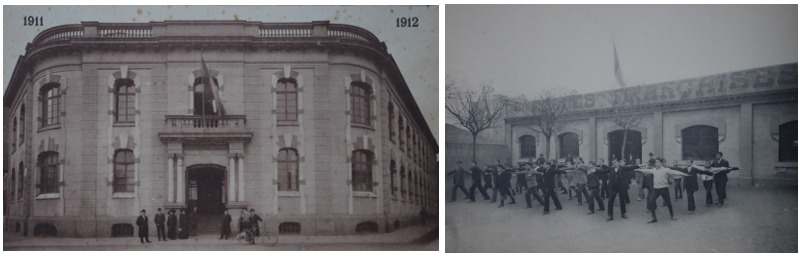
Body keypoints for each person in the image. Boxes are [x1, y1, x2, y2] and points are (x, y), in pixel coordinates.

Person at [634, 158, 696, 223]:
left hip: (664, 189)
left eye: (658, 162)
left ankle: (672, 215)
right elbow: (646, 170)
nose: (656, 164)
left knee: (668, 203)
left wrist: (684, 174)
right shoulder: (654, 170)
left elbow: (675, 172)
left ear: (661, 163)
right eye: (655, 162)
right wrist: (638, 169)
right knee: (650, 202)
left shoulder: (666, 170)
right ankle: (654, 218)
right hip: (656, 190)